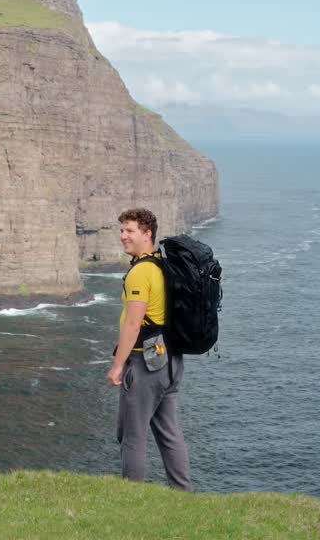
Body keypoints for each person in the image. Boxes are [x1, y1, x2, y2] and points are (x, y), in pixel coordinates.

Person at [107, 207, 192, 491]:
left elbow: (133, 325)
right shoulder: (162, 265)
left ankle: (132, 500)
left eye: (130, 231)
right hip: (170, 360)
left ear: (147, 234)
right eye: (121, 230)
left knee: (133, 436)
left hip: (145, 364)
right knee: (169, 433)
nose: (123, 236)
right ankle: (183, 494)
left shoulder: (140, 272)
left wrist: (118, 366)